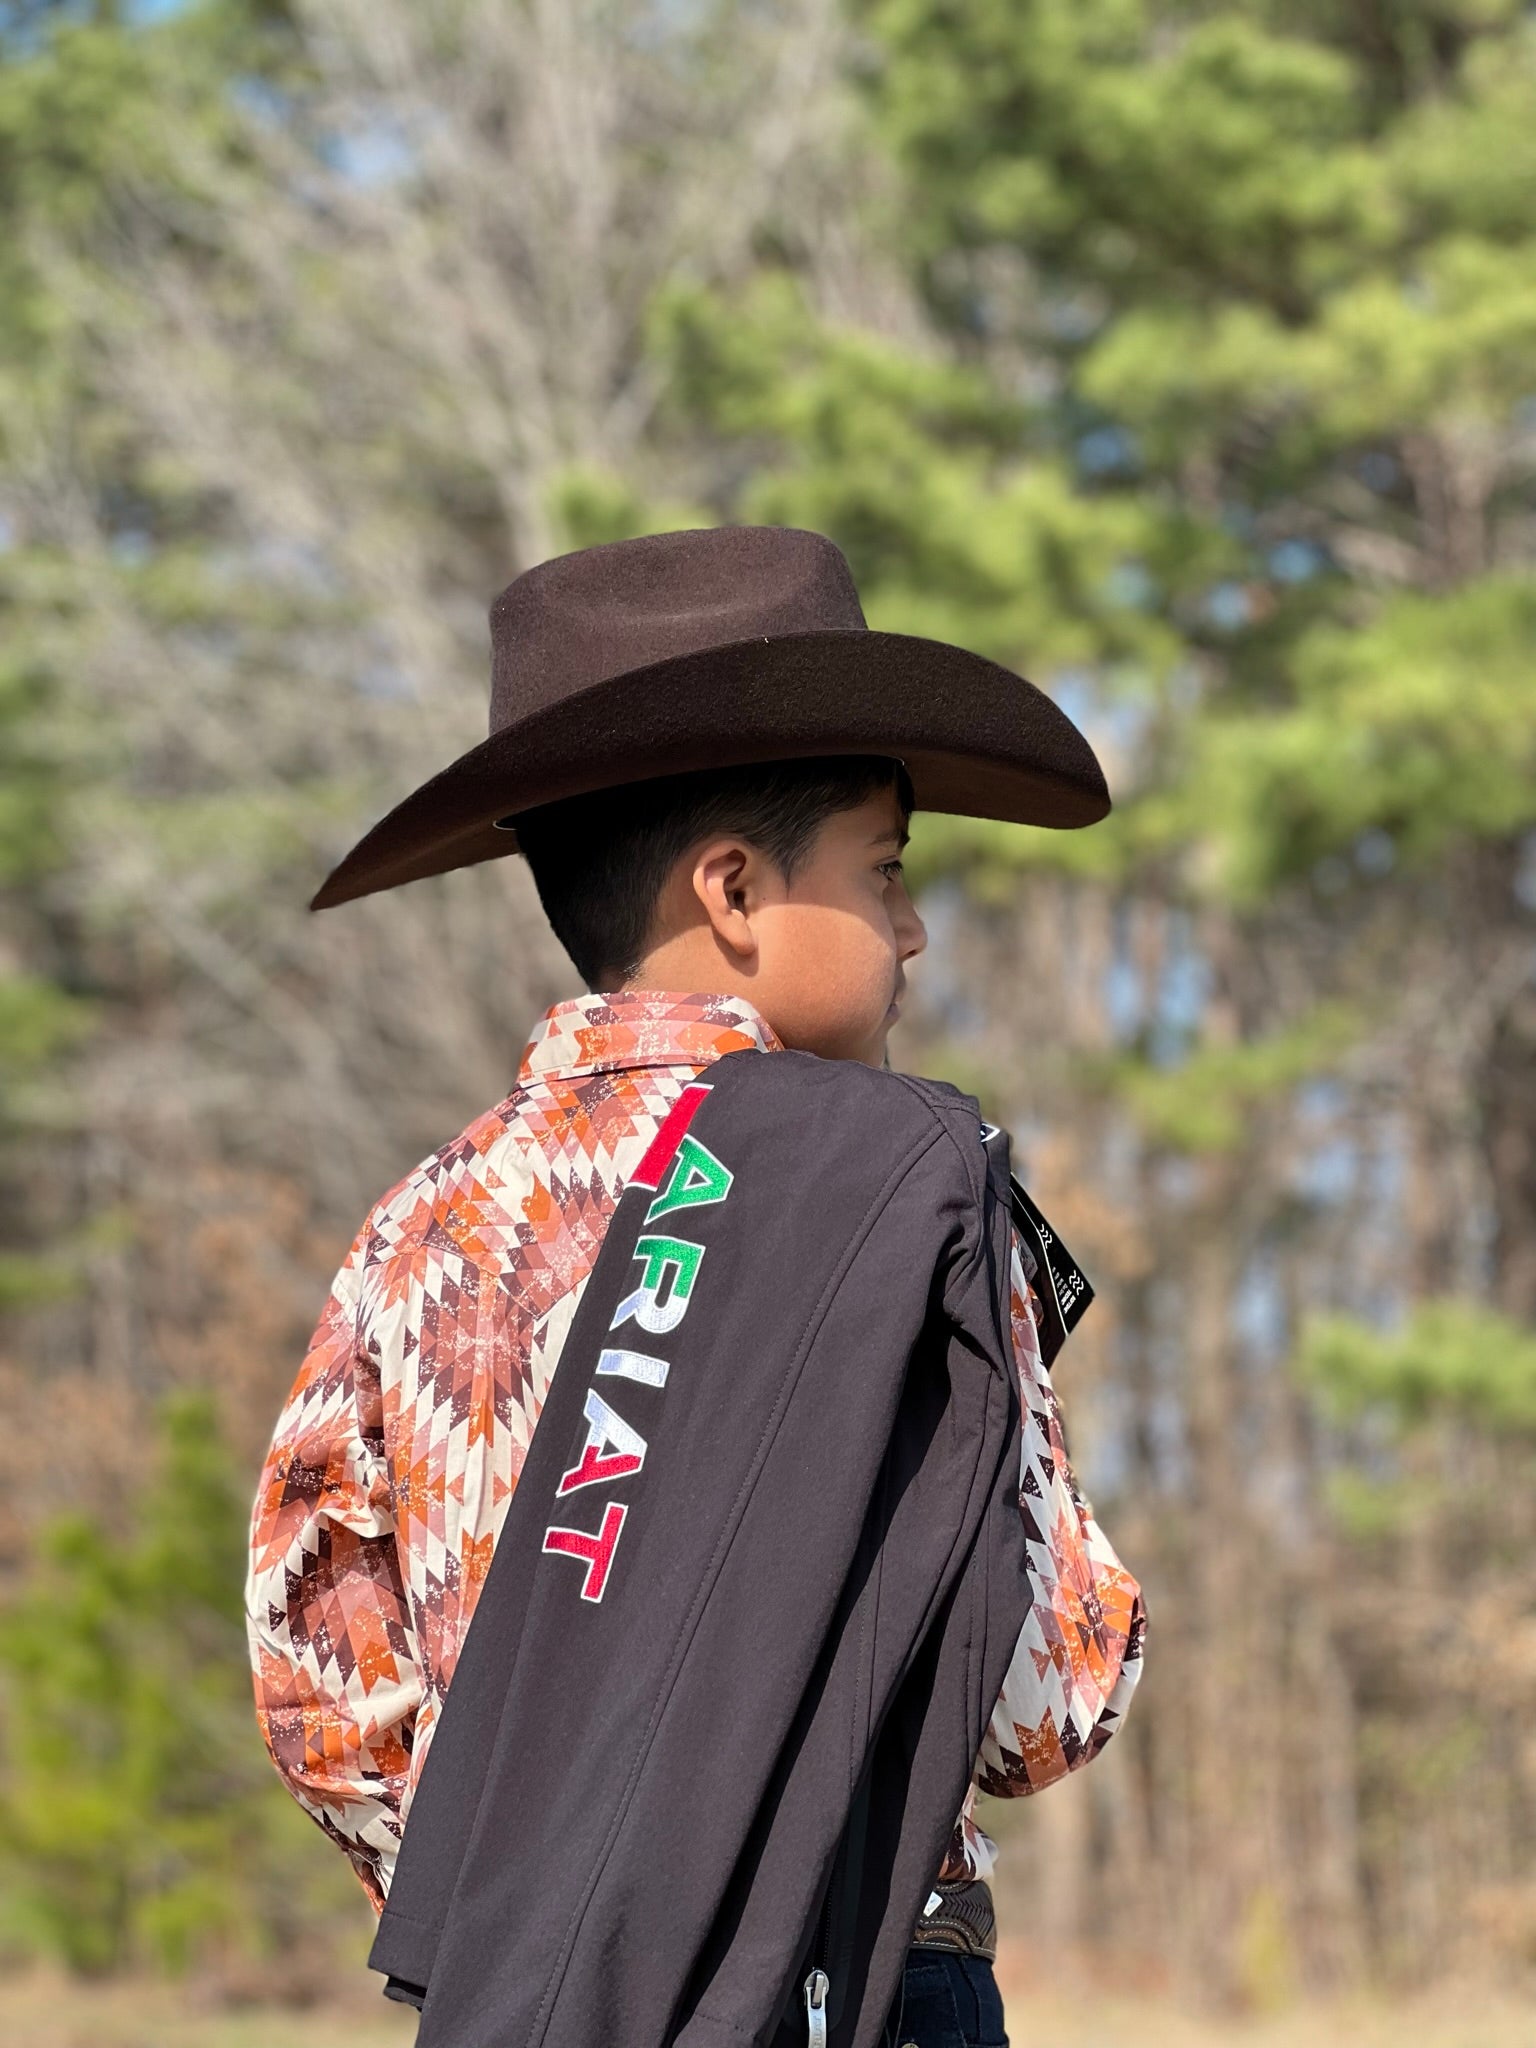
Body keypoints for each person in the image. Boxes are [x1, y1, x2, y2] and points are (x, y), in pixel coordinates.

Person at [245, 525, 1145, 2047]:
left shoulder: (418, 1233)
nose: (913, 928)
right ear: (733, 889)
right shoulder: (899, 1184)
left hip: (526, 2000)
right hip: (869, 1982)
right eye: (884, 870)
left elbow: (317, 1688)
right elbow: (1045, 1700)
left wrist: (559, 1921)